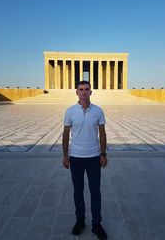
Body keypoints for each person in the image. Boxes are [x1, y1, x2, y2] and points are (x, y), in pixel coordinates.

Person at [62, 80, 108, 239]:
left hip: (94, 157)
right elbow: (66, 134)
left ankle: (96, 224)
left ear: (91, 92)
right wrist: (65, 156)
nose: (83, 92)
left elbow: (102, 133)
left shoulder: (98, 110)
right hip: (76, 157)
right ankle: (80, 220)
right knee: (78, 191)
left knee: (95, 192)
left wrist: (103, 154)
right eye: (81, 89)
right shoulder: (70, 111)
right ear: (76, 92)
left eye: (86, 89)